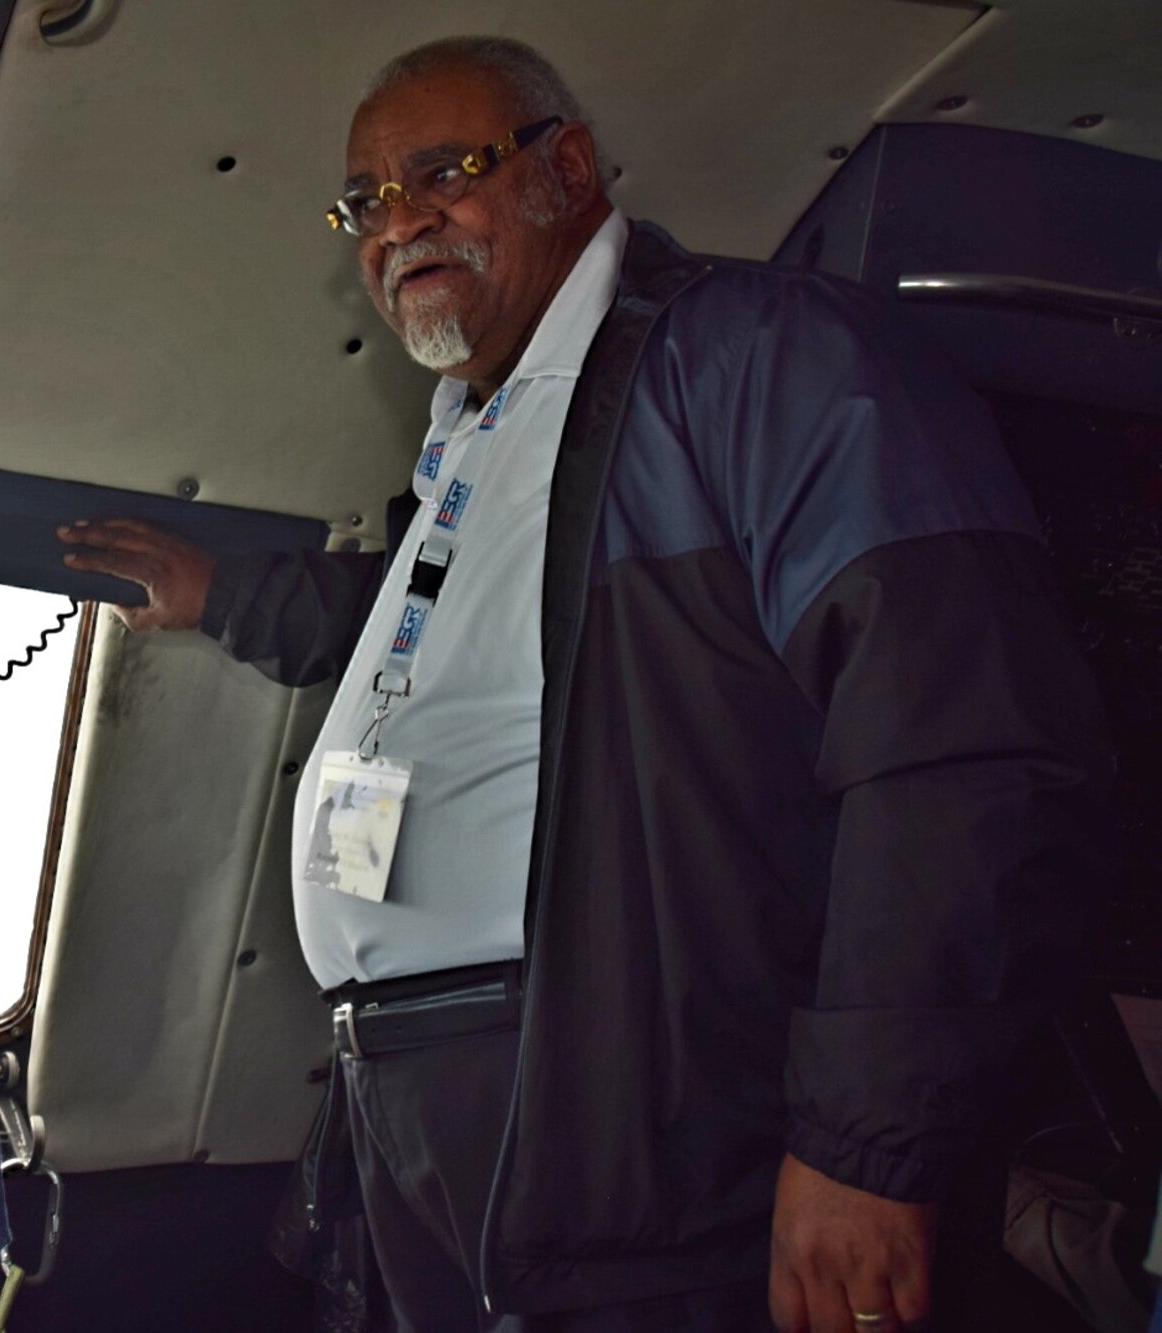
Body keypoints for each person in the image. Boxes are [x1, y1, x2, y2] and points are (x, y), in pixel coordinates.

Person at [61, 36, 1113, 1333]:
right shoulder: (469, 434)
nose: (400, 221)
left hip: (628, 1101)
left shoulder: (755, 357)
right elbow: (418, 635)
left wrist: (866, 1146)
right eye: (368, 200)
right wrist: (218, 594)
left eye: (442, 172)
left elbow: (961, 747)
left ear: (565, 166)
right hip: (406, 1092)